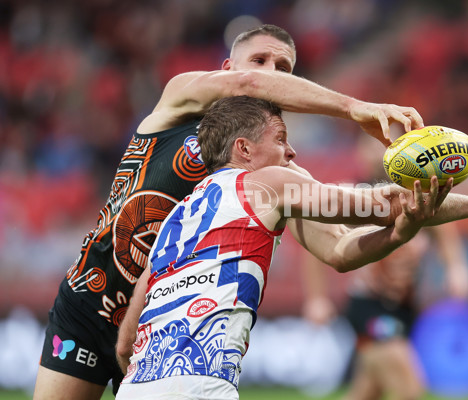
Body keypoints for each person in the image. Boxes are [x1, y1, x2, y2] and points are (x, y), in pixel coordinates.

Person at [33, 24, 427, 400]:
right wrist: (355, 107)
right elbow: (247, 86)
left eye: (284, 68)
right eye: (260, 60)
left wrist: (409, 223)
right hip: (90, 298)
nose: (271, 74)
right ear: (227, 68)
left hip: (168, 335)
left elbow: (338, 250)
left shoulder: (279, 170)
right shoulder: (180, 98)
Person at [114, 95, 468, 399]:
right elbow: (384, 203)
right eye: (281, 139)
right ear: (244, 149)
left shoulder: (173, 222)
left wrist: (401, 234)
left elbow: (126, 341)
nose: (291, 152)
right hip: (199, 387)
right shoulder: (266, 183)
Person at [301, 135, 468, 400]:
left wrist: (456, 268)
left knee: (367, 392)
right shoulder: (353, 195)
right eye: (372, 145)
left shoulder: (420, 193)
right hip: (369, 306)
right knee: (409, 388)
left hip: (405, 307)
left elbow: (444, 229)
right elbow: (315, 248)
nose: (380, 152)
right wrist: (316, 299)